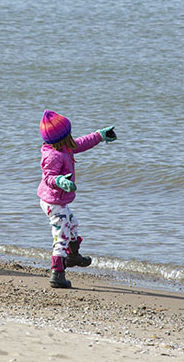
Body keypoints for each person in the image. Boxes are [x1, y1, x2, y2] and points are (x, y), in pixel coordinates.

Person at [37, 110, 118, 288]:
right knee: (62, 234)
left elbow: (81, 143)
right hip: (53, 202)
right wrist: (60, 181)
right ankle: (57, 274)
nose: (72, 137)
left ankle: (73, 256)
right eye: (68, 134)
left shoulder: (64, 147)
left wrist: (99, 135)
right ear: (61, 138)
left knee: (73, 223)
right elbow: (48, 177)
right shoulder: (53, 155)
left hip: (57, 201)